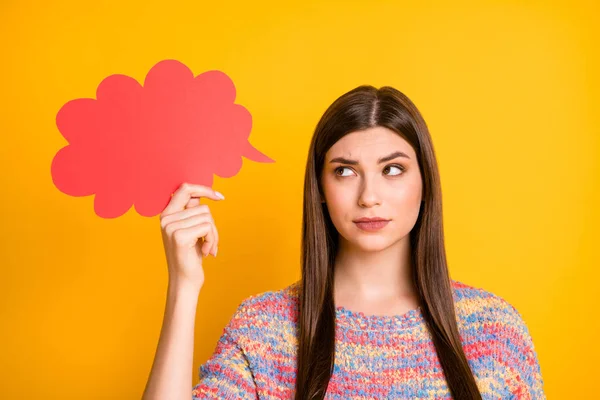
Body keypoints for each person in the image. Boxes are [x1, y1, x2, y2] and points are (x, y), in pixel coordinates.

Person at [142, 86, 546, 399]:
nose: (369, 196)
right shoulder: (265, 329)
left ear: (425, 183)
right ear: (319, 187)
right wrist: (184, 285)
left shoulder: (495, 332)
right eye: (345, 172)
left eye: (392, 169)